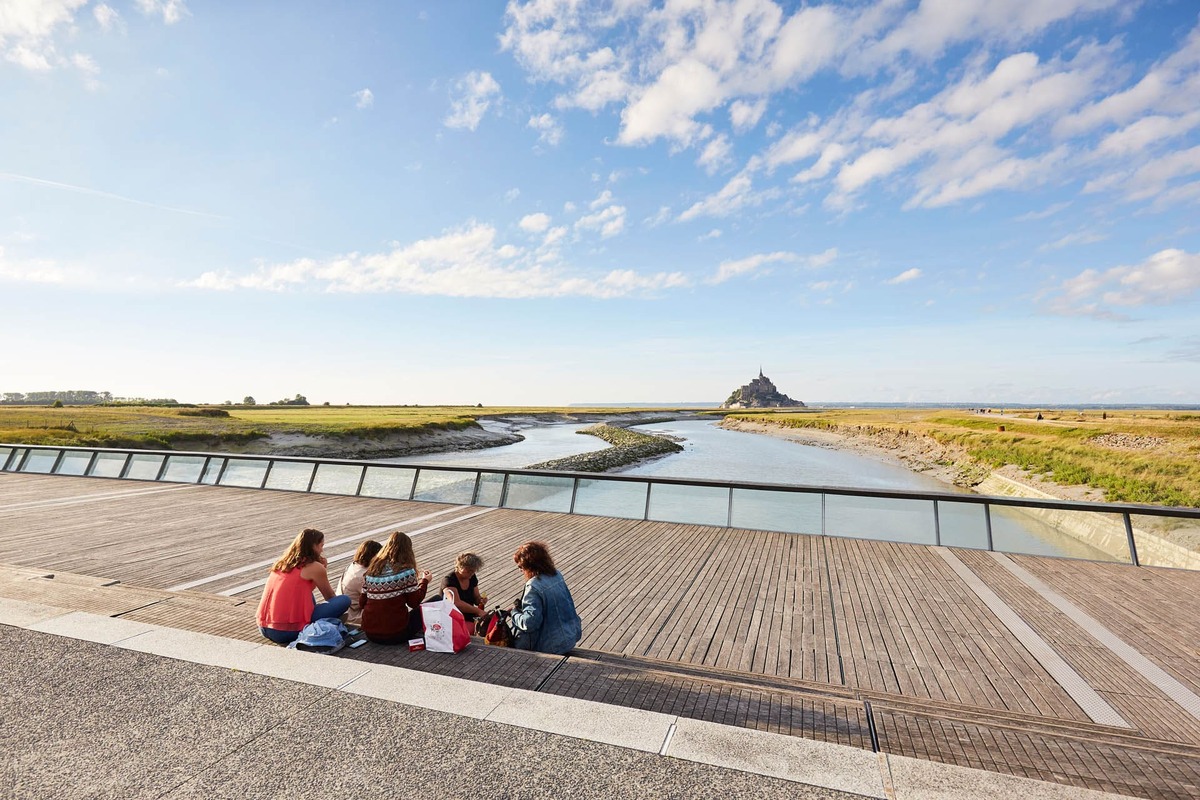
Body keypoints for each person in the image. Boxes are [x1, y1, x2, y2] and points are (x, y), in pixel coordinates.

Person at [256, 528, 351, 645]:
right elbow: (329, 596)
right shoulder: (314, 567)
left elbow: (303, 590)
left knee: (305, 592)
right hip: (285, 632)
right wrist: (323, 569)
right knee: (344, 600)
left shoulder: (282, 563)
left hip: (264, 627)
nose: (322, 550)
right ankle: (319, 622)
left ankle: (314, 618)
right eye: (321, 546)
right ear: (313, 546)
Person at [508, 541, 581, 655]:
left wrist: (514, 613)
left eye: (521, 567)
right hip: (569, 638)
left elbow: (530, 623)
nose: (520, 570)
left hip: (550, 646)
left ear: (530, 566)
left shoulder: (533, 586)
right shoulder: (556, 575)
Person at [361, 531, 431, 645]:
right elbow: (414, 603)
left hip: (370, 634)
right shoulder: (406, 572)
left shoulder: (372, 571)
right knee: (435, 600)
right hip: (397, 634)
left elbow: (362, 603)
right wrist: (425, 581)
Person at [337, 539, 382, 628]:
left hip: (345, 611)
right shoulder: (363, 576)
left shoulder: (353, 566)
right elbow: (374, 600)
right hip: (354, 616)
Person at [442, 552, 486, 622]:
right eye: (469, 571)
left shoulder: (472, 577)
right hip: (452, 618)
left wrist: (480, 600)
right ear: (459, 566)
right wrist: (478, 611)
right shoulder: (449, 580)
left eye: (473, 571)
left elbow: (476, 597)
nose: (471, 573)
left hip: (469, 616)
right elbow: (456, 603)